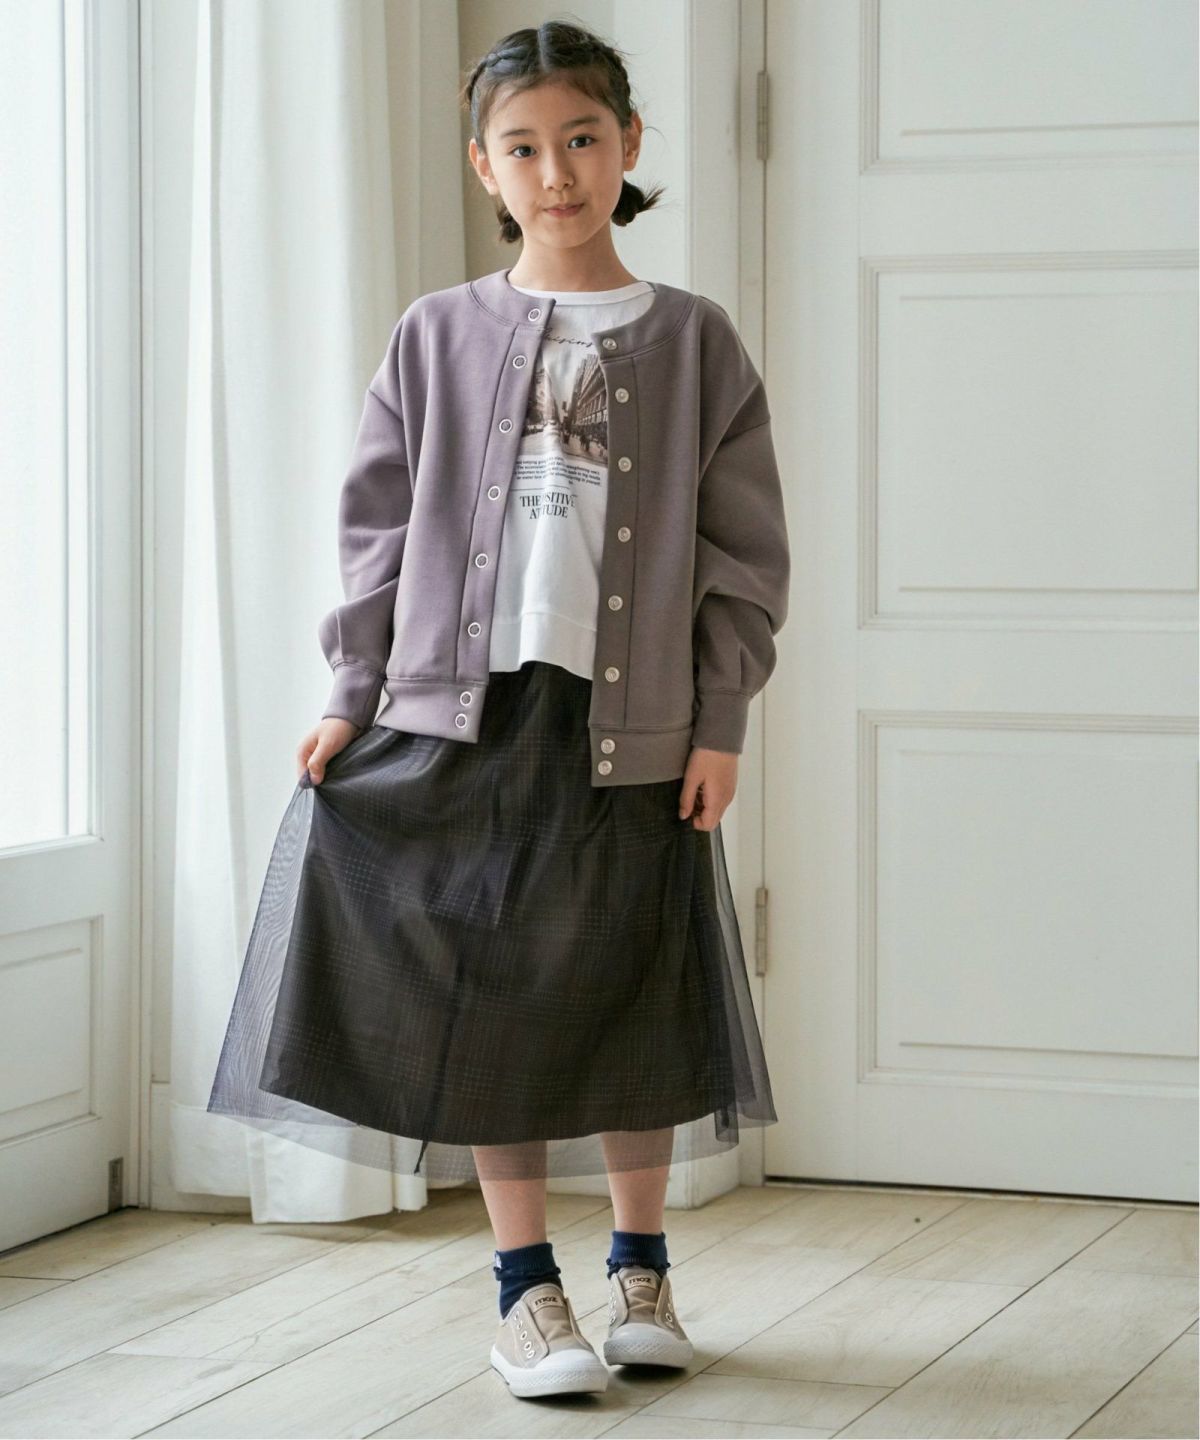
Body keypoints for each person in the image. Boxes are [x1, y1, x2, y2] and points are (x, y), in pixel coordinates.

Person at [207, 18, 791, 1402]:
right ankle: (527, 1289)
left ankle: (640, 1271)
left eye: (582, 139)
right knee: (483, 1008)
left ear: (629, 144)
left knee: (634, 987)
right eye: (522, 148)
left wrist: (720, 721)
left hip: (632, 725)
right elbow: (376, 532)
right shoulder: (436, 334)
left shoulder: (695, 341)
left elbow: (743, 553)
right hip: (457, 719)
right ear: (485, 166)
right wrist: (350, 695)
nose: (556, 172)